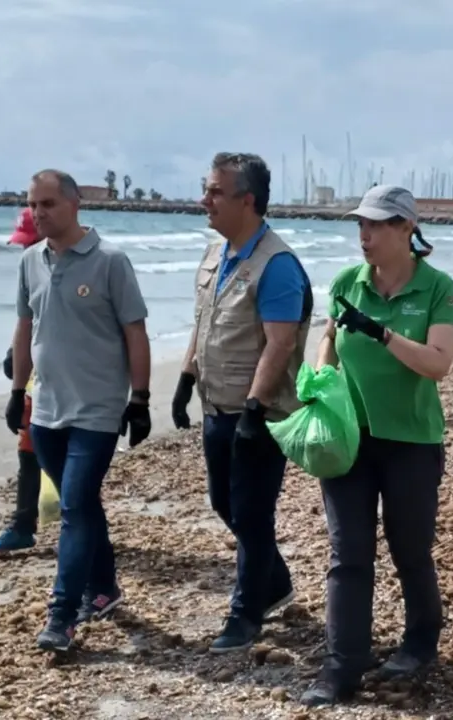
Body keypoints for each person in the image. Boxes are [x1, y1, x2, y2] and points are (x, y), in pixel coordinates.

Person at [299, 185, 453, 707]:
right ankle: (342, 664)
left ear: (406, 229)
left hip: (412, 440)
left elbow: (438, 363)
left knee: (409, 549)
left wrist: (383, 334)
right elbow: (328, 336)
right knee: (349, 553)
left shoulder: (437, 287)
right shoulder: (348, 281)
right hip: (352, 439)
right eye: (360, 225)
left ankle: (420, 641)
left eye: (376, 225)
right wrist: (323, 374)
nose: (364, 234)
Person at [171, 152, 312, 653]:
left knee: (252, 514)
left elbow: (278, 344)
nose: (203, 200)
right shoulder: (216, 255)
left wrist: (255, 409)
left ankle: (246, 612)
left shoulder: (277, 266)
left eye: (214, 192)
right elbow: (204, 322)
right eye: (205, 189)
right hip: (216, 407)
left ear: (246, 200)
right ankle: (273, 581)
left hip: (258, 416)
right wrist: (187, 377)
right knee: (224, 503)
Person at [8, 169, 153, 651]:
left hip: (96, 411)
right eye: (33, 204)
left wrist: (140, 399)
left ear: (74, 205)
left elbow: (136, 332)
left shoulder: (110, 261)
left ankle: (62, 615)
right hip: (46, 409)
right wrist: (16, 392)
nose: (38, 213)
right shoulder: (30, 261)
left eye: (47, 203)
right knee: (83, 505)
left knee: (73, 508)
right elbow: (25, 328)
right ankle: (106, 589)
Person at [0, 209, 44, 555]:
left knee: (67, 459)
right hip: (35, 389)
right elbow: (25, 324)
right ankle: (23, 526)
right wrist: (16, 388)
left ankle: (80, 528)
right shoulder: (31, 272)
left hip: (67, 387)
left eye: (29, 244)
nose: (25, 252)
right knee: (28, 454)